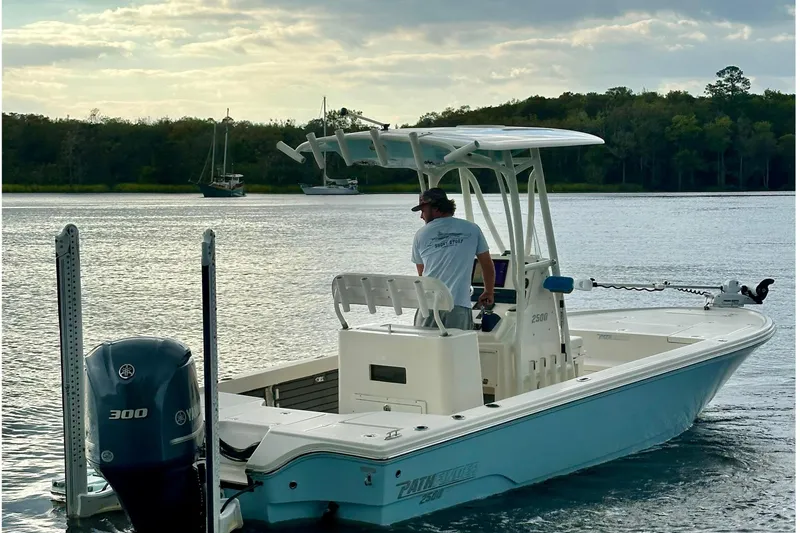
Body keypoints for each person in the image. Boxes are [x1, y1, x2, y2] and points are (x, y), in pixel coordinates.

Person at [411, 187, 495, 330]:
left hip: (428, 306)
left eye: (423, 211)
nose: (421, 216)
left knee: (425, 344)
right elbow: (487, 264)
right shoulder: (472, 229)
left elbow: (421, 273)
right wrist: (489, 291)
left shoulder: (420, 234)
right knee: (459, 344)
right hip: (459, 305)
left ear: (435, 208)